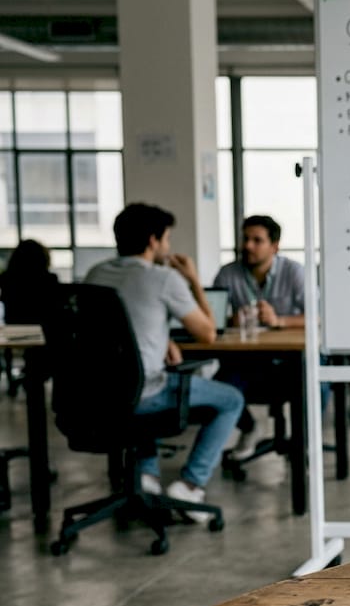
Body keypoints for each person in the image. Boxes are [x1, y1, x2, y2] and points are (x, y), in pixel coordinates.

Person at [85, 203, 244, 521]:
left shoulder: (96, 274)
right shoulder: (163, 278)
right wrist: (194, 280)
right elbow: (209, 334)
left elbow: (116, 329)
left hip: (96, 394)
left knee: (137, 383)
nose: (168, 245)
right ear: (153, 241)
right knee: (231, 399)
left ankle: (146, 475)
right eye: (167, 238)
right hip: (144, 394)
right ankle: (190, 485)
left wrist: (164, 340)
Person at [212, 215, 307, 458]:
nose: (248, 246)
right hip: (247, 361)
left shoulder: (295, 272)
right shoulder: (227, 274)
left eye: (257, 240)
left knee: (317, 386)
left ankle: (303, 441)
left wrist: (279, 321)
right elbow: (211, 319)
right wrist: (232, 320)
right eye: (245, 239)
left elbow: (319, 317)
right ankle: (250, 428)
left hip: (289, 362)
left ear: (274, 246)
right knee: (218, 385)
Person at [0, 238, 60, 392]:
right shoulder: (49, 280)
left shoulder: (7, 279)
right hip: (43, 332)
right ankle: (41, 373)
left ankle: (33, 374)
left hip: (13, 331)